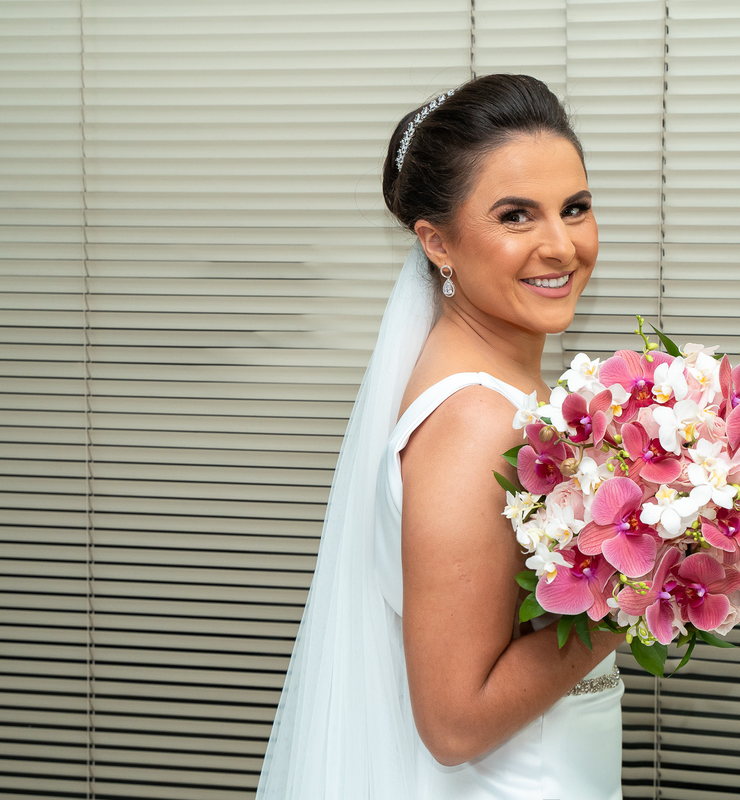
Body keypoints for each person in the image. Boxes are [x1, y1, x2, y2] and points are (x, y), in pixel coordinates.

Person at [255, 73, 627, 800]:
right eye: (516, 216)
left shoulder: (500, 390)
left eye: (575, 208)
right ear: (438, 241)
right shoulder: (477, 424)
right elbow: (455, 726)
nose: (561, 245)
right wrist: (640, 597)